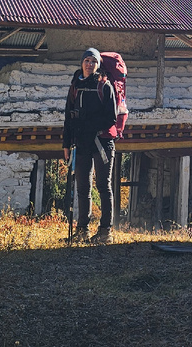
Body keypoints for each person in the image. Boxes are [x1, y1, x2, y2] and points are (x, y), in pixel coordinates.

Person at [62, 47, 118, 243]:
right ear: (81, 63)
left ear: (98, 64)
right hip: (81, 143)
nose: (89, 64)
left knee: (104, 186)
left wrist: (89, 127)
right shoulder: (75, 85)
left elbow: (112, 117)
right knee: (83, 187)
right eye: (86, 60)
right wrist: (66, 144)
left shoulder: (105, 86)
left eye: (93, 61)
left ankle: (105, 232)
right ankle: (82, 229)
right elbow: (68, 116)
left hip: (101, 142)